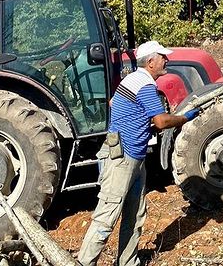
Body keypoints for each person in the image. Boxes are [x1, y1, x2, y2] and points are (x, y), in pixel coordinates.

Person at [78, 40, 199, 266]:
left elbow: (115, 103)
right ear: (150, 61)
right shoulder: (144, 84)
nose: (167, 60)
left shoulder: (130, 79)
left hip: (133, 155)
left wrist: (137, 122)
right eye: (163, 56)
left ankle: (128, 261)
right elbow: (162, 121)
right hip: (122, 158)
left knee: (135, 213)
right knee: (108, 215)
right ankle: (84, 263)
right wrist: (186, 117)